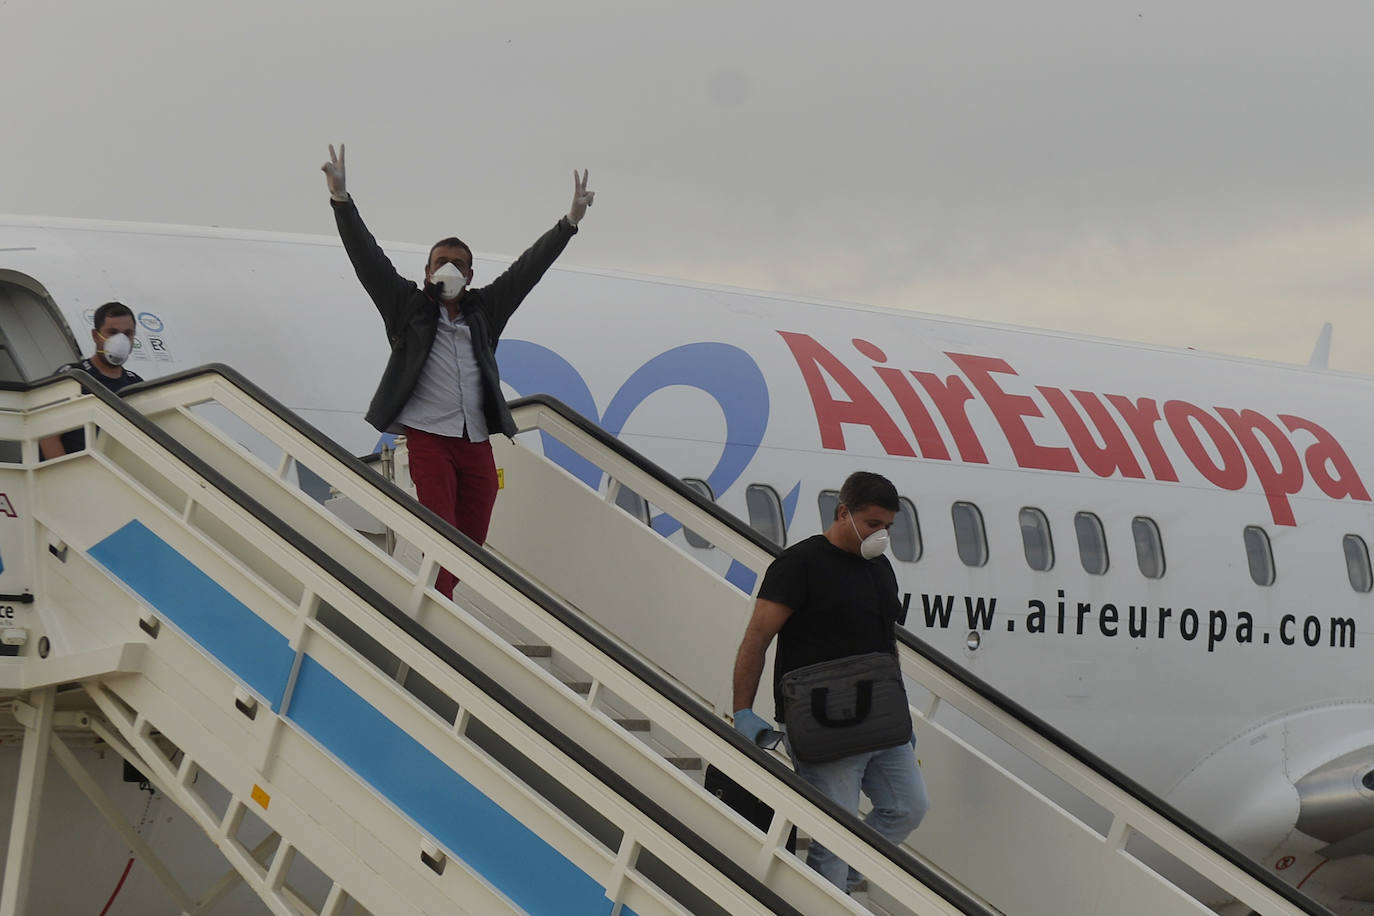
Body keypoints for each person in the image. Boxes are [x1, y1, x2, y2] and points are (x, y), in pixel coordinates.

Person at [322, 144, 594, 599]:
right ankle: (440, 605)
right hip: (429, 437)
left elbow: (528, 270)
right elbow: (366, 259)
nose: (449, 268)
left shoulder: (484, 311)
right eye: (440, 262)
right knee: (440, 530)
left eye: (459, 263)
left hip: (474, 439)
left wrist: (568, 224)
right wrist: (341, 201)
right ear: (426, 271)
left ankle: (441, 592)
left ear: (471, 273)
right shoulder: (407, 307)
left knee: (473, 535)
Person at [730, 470, 929, 892]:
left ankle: (836, 881)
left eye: (888, 526)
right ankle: (827, 891)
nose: (881, 535)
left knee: (908, 807)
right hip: (822, 722)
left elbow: (885, 646)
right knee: (835, 835)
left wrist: (902, 717)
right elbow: (758, 637)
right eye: (873, 524)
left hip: (881, 719)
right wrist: (743, 710)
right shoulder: (799, 565)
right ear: (844, 513)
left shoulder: (880, 570)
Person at [39, 301, 144, 459]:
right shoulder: (73, 376)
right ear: (96, 336)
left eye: (128, 333)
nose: (121, 340)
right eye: (112, 332)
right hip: (71, 474)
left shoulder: (135, 384)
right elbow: (47, 437)